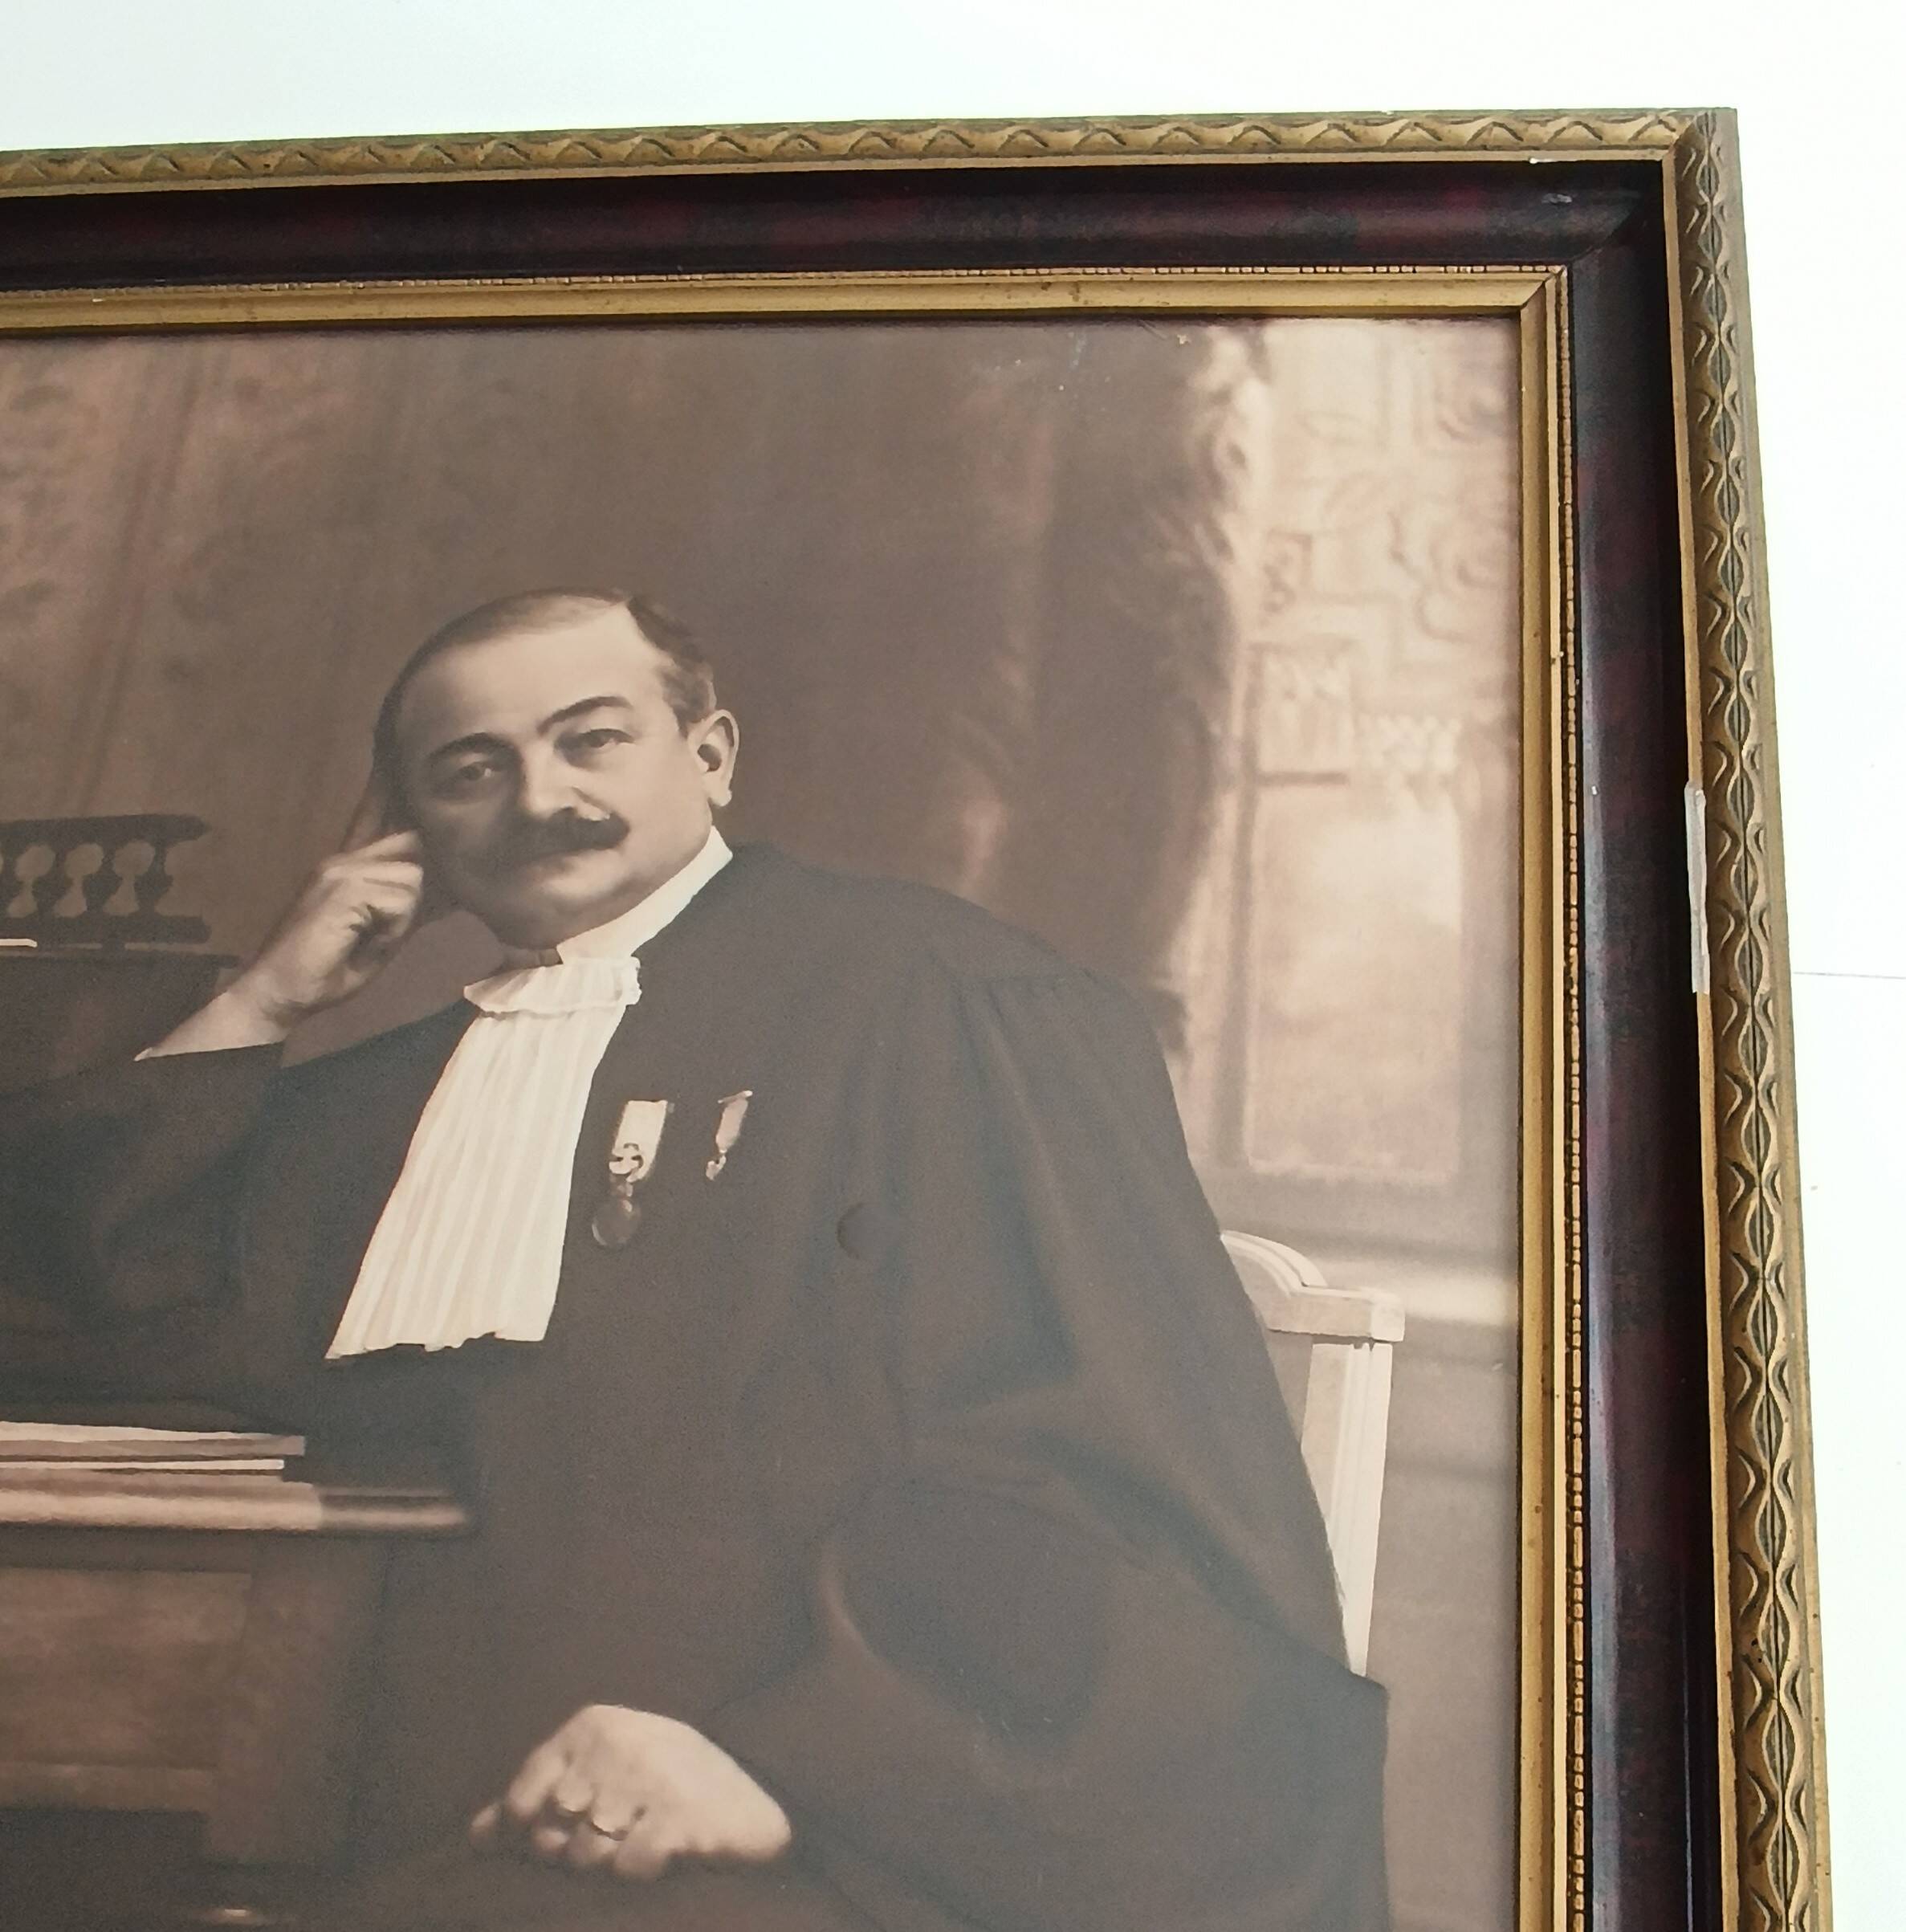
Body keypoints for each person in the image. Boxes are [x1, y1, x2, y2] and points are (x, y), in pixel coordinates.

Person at [6, 589, 1389, 1931]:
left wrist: (789, 1765)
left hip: (841, 1811)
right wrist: (268, 994)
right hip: (443, 1784)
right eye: (471, 769)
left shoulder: (941, 1003)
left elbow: (1090, 1464)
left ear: (711, 754)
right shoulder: (400, 1093)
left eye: (591, 738)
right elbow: (98, 1299)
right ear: (414, 828)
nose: (541, 797)